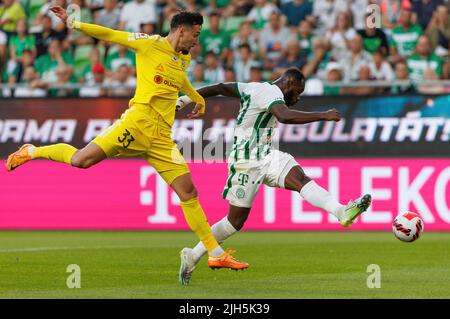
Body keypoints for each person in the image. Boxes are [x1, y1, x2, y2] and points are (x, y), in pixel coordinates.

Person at [6, 6, 249, 275]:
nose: (197, 40)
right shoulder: (148, 44)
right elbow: (110, 34)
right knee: (80, 160)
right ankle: (32, 151)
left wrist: (197, 97)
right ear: (182, 30)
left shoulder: (184, 58)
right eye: (196, 34)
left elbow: (181, 82)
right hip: (136, 124)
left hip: (161, 139)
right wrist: (74, 24)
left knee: (189, 192)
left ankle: (214, 254)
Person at [176, 67, 372, 285]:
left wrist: (186, 98)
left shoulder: (254, 87)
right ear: (288, 84)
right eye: (297, 92)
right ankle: (193, 255)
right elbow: (284, 116)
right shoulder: (271, 94)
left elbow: (221, 87)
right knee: (234, 222)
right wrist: (322, 115)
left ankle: (341, 211)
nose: (297, 98)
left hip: (267, 155)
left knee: (301, 180)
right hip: (246, 161)